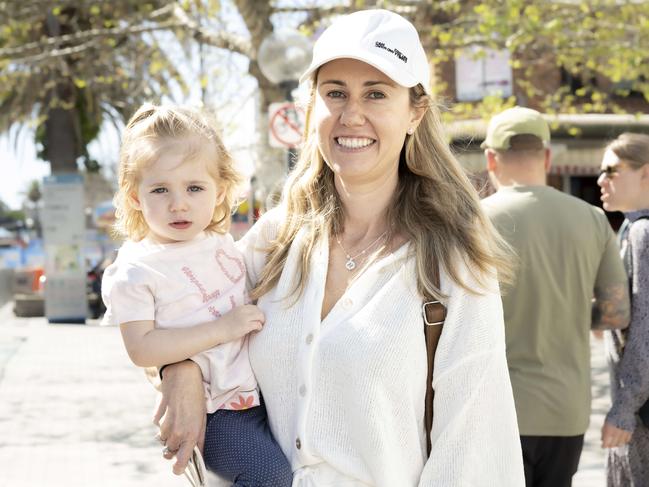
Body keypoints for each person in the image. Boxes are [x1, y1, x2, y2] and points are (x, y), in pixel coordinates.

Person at [157, 9, 525, 486]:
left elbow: (473, 444)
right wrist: (179, 366)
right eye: (335, 93)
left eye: (376, 93)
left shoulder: (452, 260)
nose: (353, 115)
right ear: (313, 107)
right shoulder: (274, 242)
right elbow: (176, 311)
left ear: (415, 112)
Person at [101, 104, 293, 486]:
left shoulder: (220, 242)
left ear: (219, 191)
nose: (179, 204)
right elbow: (142, 348)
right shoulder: (137, 269)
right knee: (269, 476)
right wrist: (223, 328)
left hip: (265, 396)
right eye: (160, 189)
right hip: (218, 410)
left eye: (194, 188)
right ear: (135, 196)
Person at [481, 107, 631, 487]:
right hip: (566, 410)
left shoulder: (472, 222)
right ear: (548, 157)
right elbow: (617, 313)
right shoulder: (593, 219)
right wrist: (576, 310)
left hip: (495, 409)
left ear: (490, 159)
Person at [597, 132, 649, 487]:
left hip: (641, 417)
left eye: (612, 171)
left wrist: (624, 409)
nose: (601, 180)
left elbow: (645, 328)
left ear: (646, 174)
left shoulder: (643, 233)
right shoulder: (631, 229)